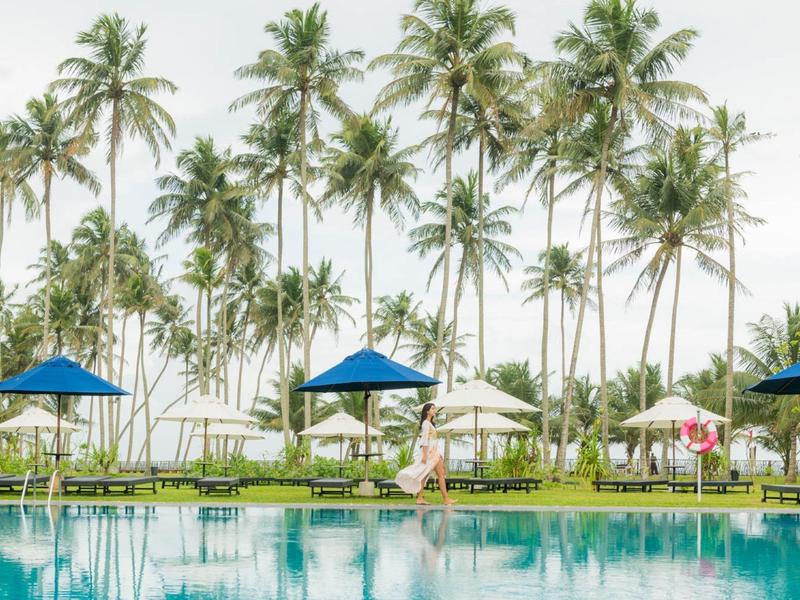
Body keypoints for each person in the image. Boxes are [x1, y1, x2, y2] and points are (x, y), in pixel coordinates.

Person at [395, 402, 457, 506]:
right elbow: (424, 440)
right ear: (427, 411)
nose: (434, 410)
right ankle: (445, 499)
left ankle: (420, 498)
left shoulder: (430, 424)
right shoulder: (425, 424)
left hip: (434, 453)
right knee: (440, 475)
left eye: (434, 408)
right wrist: (424, 455)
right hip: (429, 454)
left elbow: (433, 441)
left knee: (426, 475)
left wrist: (439, 453)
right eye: (432, 409)